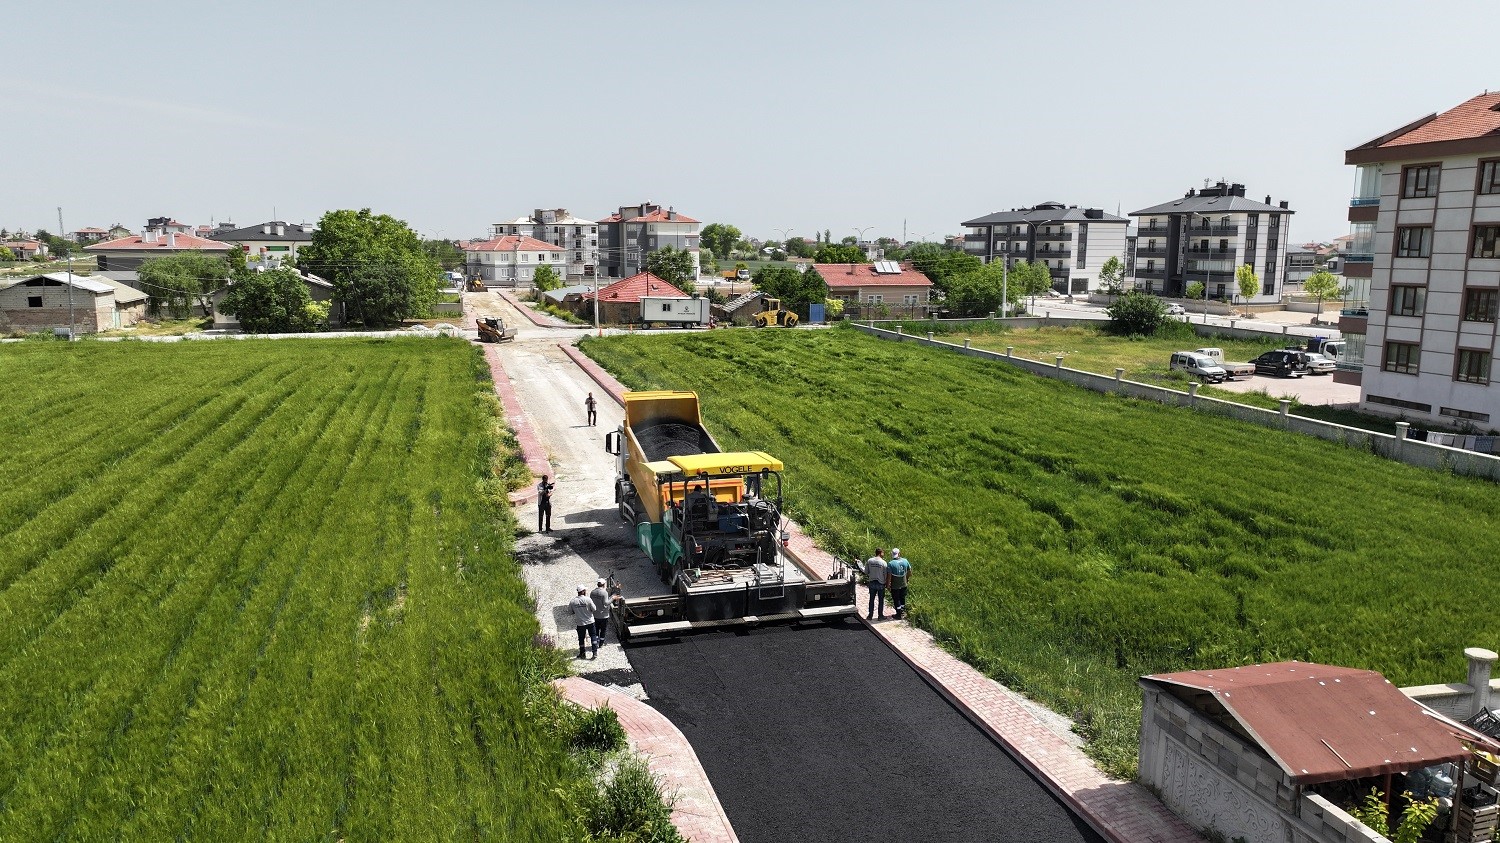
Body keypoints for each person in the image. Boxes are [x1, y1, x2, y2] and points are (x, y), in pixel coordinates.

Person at [568, 585, 598, 659]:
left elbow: (570, 612)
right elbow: (594, 609)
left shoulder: (573, 601)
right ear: (583, 591)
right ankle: (594, 653)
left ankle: (582, 653)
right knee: (593, 636)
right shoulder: (588, 599)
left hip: (580, 623)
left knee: (581, 638)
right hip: (590, 621)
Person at [887, 547, 911, 620]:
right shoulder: (905, 561)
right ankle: (903, 612)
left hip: (895, 585)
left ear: (892, 554)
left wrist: (888, 585)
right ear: (899, 553)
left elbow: (889, 576)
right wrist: (907, 579)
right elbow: (910, 571)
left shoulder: (891, 564)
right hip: (904, 584)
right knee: (902, 597)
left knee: (896, 599)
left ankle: (898, 614)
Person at [864, 548, 888, 620]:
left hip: (872, 582)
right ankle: (880, 616)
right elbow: (885, 575)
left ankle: (870, 615)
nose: (883, 554)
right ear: (880, 553)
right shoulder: (883, 563)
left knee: (871, 599)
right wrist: (886, 582)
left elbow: (866, 572)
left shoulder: (870, 561)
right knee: (881, 600)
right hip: (880, 583)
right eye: (883, 553)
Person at [589, 578, 611, 645]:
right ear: (604, 584)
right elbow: (606, 603)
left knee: (596, 630)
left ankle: (596, 642)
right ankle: (601, 643)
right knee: (603, 630)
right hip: (604, 615)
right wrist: (612, 598)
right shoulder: (604, 593)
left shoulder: (592, 592)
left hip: (595, 615)